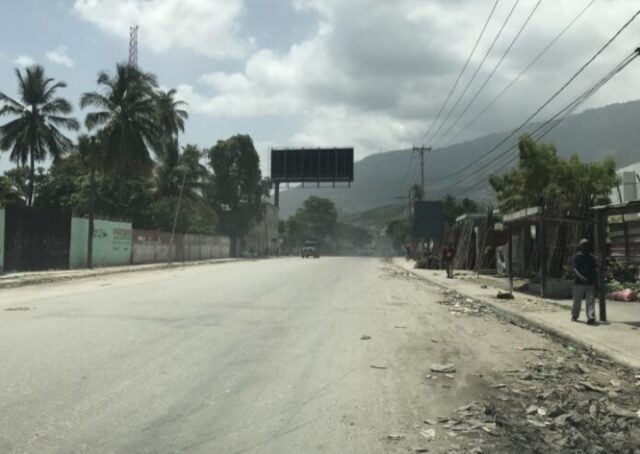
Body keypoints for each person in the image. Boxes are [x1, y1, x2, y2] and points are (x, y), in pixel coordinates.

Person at [572, 238, 598, 325]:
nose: (586, 247)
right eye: (584, 245)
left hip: (590, 282)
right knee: (577, 300)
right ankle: (575, 315)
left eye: (587, 245)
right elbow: (575, 269)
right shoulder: (577, 257)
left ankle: (591, 317)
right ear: (580, 246)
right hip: (579, 282)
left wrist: (596, 282)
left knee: (590, 300)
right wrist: (581, 277)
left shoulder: (592, 258)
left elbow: (595, 270)